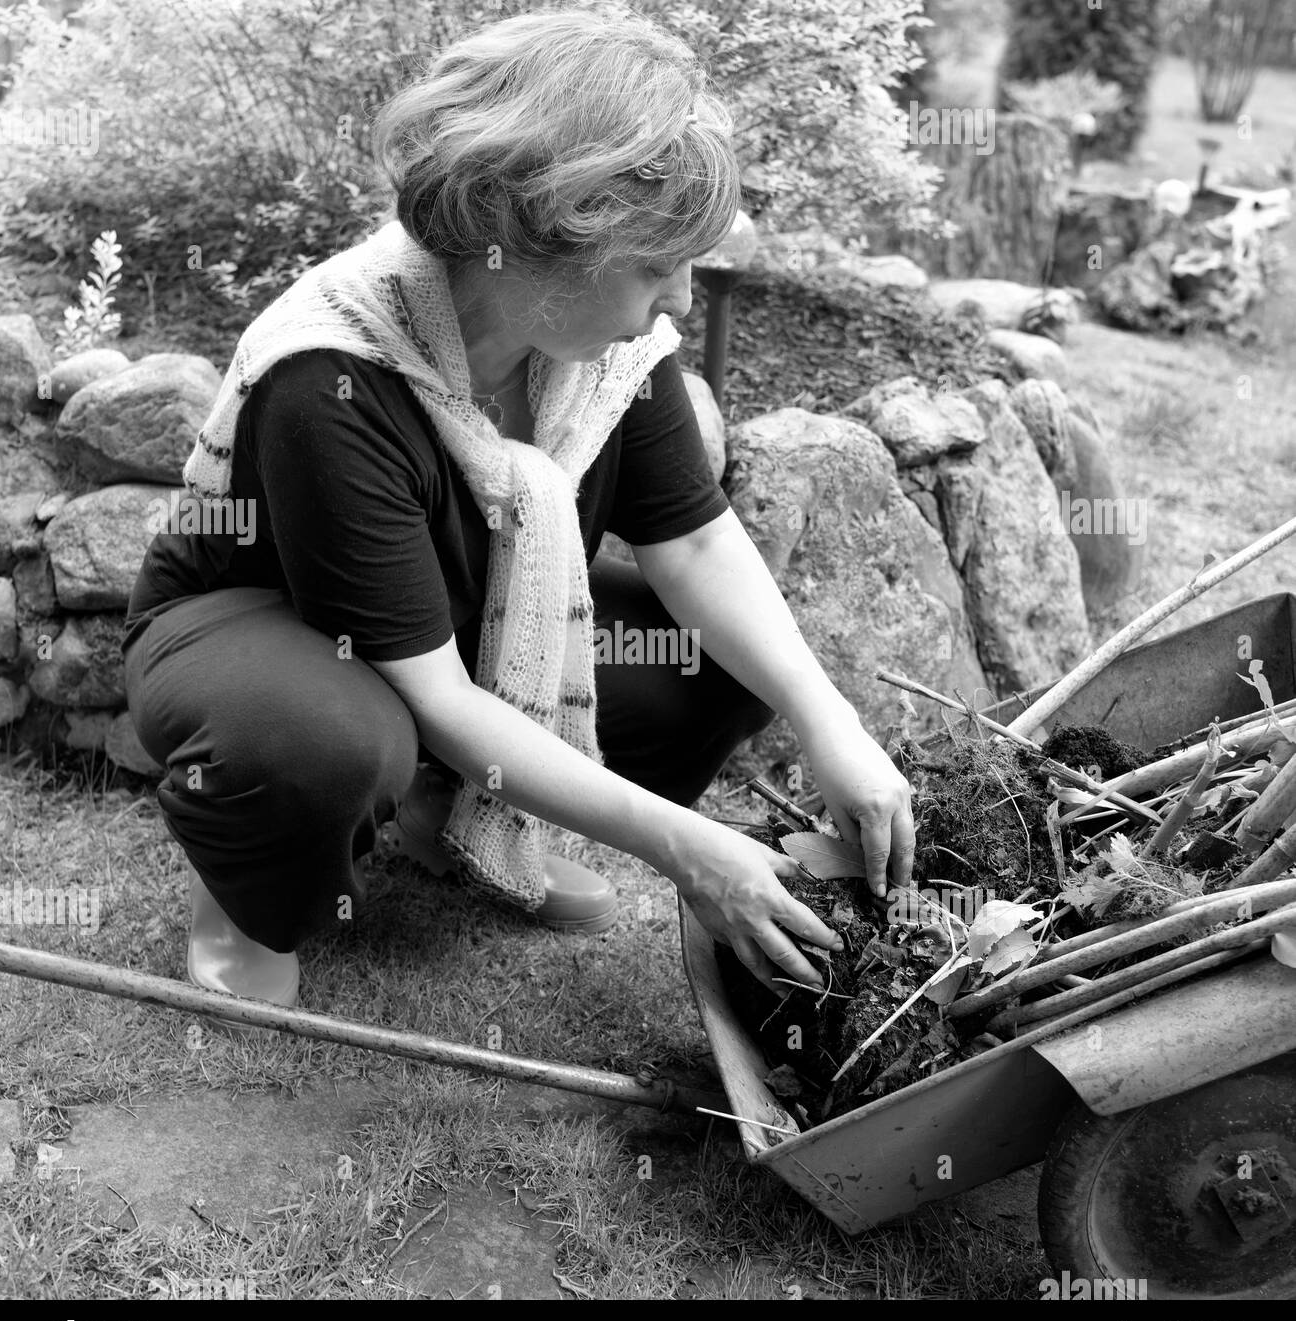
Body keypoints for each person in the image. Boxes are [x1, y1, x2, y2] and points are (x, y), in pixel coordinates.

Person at [121, 3, 915, 1012]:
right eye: (654, 264)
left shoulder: (610, 351)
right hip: (263, 629)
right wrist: (687, 848)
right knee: (322, 744)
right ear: (545, 242)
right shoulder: (331, 373)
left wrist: (828, 721)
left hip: (440, 621)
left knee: (723, 662)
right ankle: (249, 895)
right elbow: (442, 696)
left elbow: (699, 542)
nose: (678, 297)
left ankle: (447, 824)